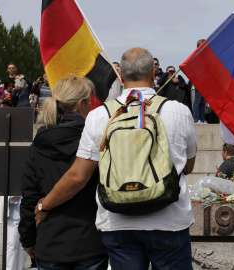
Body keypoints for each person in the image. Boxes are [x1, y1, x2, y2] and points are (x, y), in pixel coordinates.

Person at [33, 48, 197, 270]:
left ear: (121, 76)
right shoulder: (179, 111)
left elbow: (78, 176)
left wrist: (44, 204)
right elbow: (188, 165)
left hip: (118, 221)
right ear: (153, 72)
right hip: (169, 220)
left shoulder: (99, 115)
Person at [19, 75, 108, 269]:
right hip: (89, 242)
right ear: (82, 104)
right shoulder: (96, 142)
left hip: (50, 242)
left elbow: (29, 196)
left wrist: (27, 238)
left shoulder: (39, 144)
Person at [192, 39, 208, 124]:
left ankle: (202, 119)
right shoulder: (196, 55)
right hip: (198, 81)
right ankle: (195, 119)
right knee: (197, 100)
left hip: (205, 82)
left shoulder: (206, 55)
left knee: (203, 102)